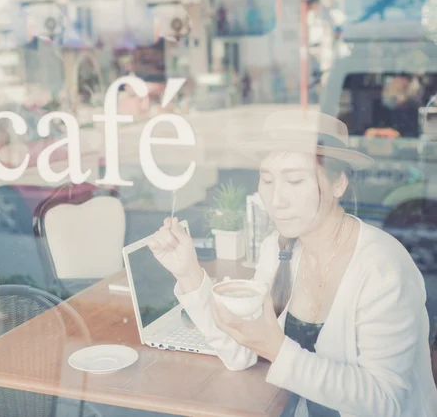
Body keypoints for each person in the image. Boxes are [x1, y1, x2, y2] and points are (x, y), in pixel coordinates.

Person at [148, 110, 437, 416]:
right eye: (267, 179)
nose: (276, 200)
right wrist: (189, 273)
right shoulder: (279, 248)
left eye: (295, 180)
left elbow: (386, 404)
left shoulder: (382, 268)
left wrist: (278, 350)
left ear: (338, 183)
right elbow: (239, 355)